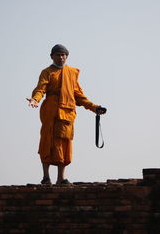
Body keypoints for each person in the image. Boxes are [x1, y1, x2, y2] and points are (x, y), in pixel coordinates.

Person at [27, 44, 106, 185]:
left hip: (67, 113)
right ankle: (46, 177)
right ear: (52, 56)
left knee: (64, 144)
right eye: (58, 55)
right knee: (47, 142)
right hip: (50, 111)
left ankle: (61, 178)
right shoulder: (47, 72)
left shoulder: (72, 73)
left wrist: (94, 107)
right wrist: (35, 99)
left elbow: (79, 96)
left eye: (64, 55)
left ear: (67, 57)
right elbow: (41, 88)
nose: (61, 57)